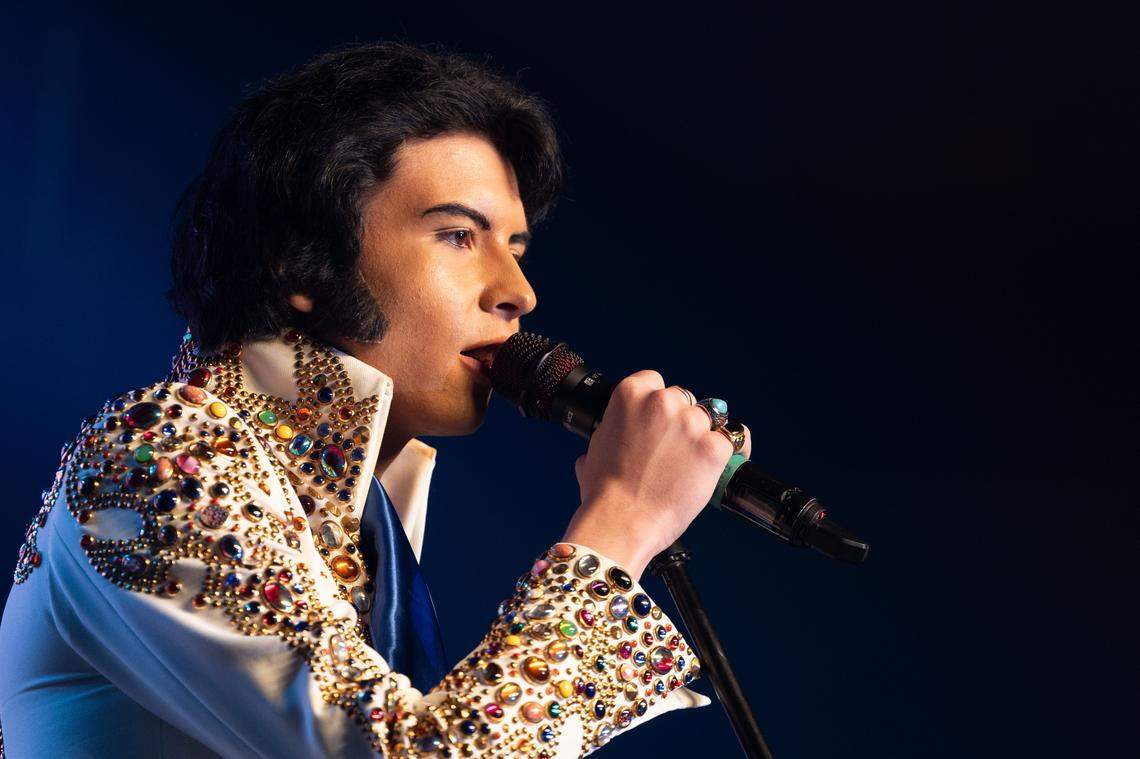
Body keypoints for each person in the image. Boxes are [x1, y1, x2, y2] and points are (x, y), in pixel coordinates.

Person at [0, 41, 751, 757]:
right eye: (459, 236)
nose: (519, 293)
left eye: (516, 249)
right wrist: (623, 518)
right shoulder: (164, 451)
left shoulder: (360, 503)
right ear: (301, 262)